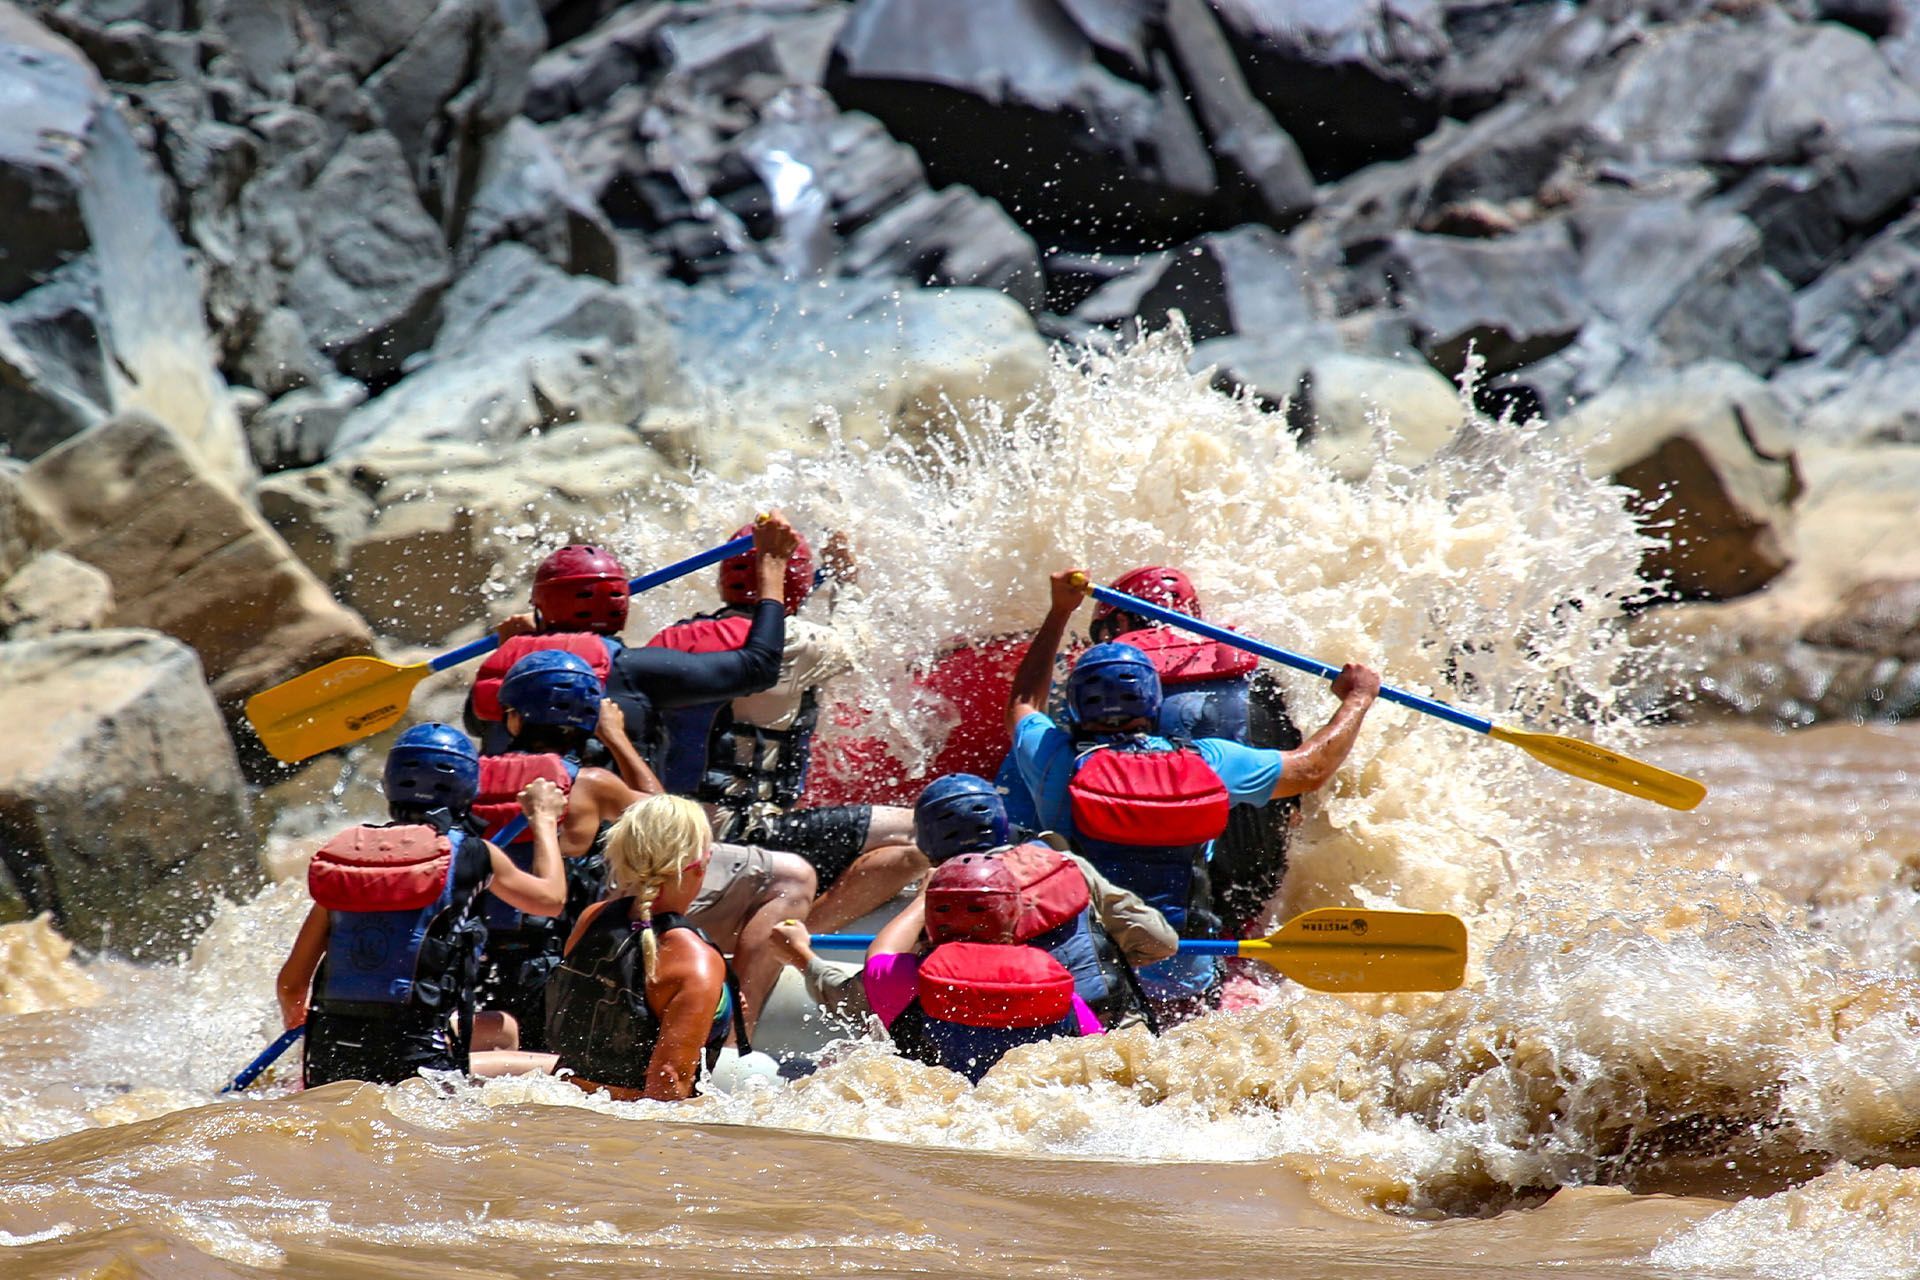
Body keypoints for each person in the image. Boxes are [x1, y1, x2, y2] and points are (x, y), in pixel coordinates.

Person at [1007, 569, 1381, 1022]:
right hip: (1188, 979)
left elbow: (1025, 700)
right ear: (1152, 703)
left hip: (1092, 980)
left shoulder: (1051, 758)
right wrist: (1358, 698)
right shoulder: (1210, 762)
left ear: (1073, 705)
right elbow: (1311, 768)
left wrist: (1058, 611)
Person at [644, 527, 926, 931]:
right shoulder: (796, 642)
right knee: (926, 831)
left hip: (686, 828)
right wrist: (845, 578)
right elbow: (858, 641)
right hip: (747, 830)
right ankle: (806, 931)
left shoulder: (667, 639)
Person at [275, 724, 569, 1087]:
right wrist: (543, 819)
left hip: (329, 1059)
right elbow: (551, 900)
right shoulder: (473, 855)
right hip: (414, 1065)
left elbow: (291, 986)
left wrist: (301, 1027)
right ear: (468, 788)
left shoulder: (349, 860)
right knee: (557, 1072)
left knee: (502, 1029)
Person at [774, 773, 1179, 1033]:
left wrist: (804, 960)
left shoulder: (942, 904)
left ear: (929, 844)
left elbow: (861, 999)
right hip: (1115, 1038)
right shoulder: (1066, 865)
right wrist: (1097, 957)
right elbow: (1161, 941)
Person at [1087, 564, 1306, 937]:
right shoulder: (1259, 680)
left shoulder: (1108, 689)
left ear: (1120, 623)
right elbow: (1298, 793)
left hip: (1161, 903)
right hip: (1256, 878)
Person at [468, 650, 657, 1052]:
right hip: (553, 966)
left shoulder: (470, 779)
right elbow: (669, 818)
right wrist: (616, 737)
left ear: (515, 717)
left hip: (471, 964)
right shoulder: (591, 785)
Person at [544, 795, 747, 1101]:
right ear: (696, 864)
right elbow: (667, 1081)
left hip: (563, 1098)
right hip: (627, 1125)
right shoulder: (696, 962)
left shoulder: (593, 917)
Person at [859, 854, 1102, 1083]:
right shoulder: (1053, 986)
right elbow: (1100, 1052)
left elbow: (881, 952)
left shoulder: (905, 980)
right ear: (1014, 916)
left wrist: (922, 898)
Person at [467, 544, 632, 755]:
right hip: (598, 782)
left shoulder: (508, 665)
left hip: (509, 780)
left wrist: (509, 648)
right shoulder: (628, 666)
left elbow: (476, 723)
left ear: (542, 607)